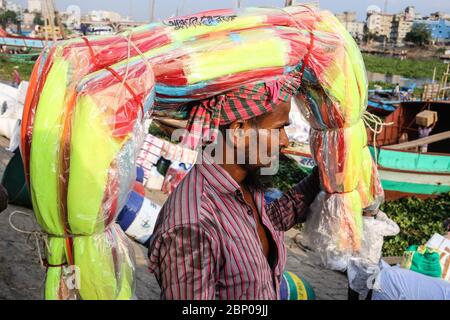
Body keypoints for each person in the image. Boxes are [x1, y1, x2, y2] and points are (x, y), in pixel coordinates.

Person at [148, 82, 321, 300]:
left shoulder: (244, 184)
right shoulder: (191, 228)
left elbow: (269, 222)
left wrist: (320, 176)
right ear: (238, 131)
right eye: (278, 129)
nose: (285, 141)